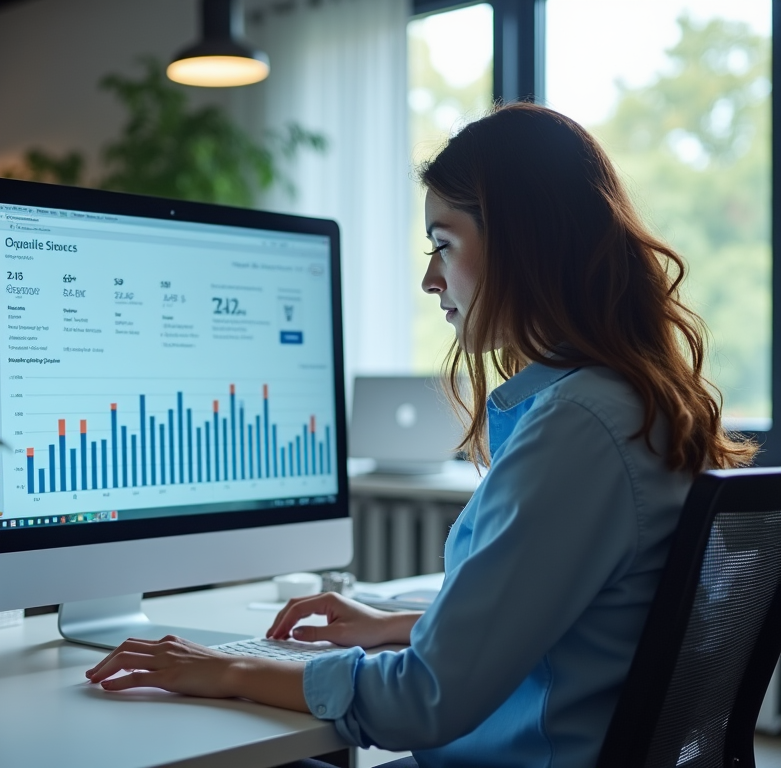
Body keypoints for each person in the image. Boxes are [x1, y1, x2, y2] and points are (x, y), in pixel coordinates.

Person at [84, 103, 756, 768]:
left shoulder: (577, 427)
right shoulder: (641, 404)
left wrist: (225, 669)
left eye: (445, 244)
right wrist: (398, 624)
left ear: (526, 243)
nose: (431, 279)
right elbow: (584, 612)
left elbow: (422, 701)